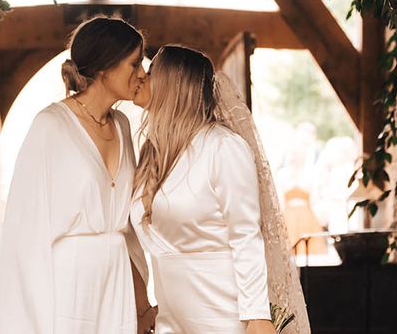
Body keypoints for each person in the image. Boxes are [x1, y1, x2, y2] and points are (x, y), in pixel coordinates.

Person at [0, 16, 155, 334]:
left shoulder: (122, 125)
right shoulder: (50, 126)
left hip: (116, 286)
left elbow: (126, 233)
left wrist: (142, 305)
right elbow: (24, 235)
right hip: (68, 290)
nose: (142, 75)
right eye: (135, 64)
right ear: (105, 66)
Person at [131, 45, 310, 334]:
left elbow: (246, 235)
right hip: (169, 317)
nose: (141, 78)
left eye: (151, 73)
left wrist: (257, 315)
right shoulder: (150, 153)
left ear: (174, 84)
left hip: (220, 313)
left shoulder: (223, 147)